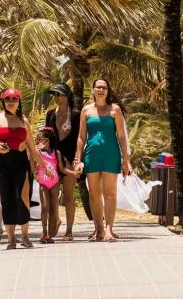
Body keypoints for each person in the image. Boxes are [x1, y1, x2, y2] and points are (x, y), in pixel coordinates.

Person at [0, 88, 53, 250]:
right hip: (2, 163)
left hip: (20, 162)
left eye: (14, 99)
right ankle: (11, 239)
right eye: (7, 100)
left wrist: (45, 168)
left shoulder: (24, 120)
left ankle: (24, 235)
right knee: (6, 199)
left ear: (18, 101)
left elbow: (33, 149)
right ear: (3, 101)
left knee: (23, 198)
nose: (11, 102)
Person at [75, 78, 132, 242]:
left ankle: (109, 230)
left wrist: (125, 160)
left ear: (108, 91)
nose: (101, 90)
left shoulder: (115, 109)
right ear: (93, 90)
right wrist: (77, 159)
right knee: (94, 193)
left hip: (111, 154)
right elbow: (81, 136)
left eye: (104, 88)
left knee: (110, 193)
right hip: (91, 154)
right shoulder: (86, 110)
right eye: (98, 87)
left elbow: (121, 136)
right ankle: (98, 229)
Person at [44, 82, 86, 241]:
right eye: (54, 94)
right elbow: (46, 137)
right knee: (52, 194)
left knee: (68, 194)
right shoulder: (50, 114)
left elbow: (80, 139)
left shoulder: (76, 114)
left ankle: (69, 230)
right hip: (53, 157)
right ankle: (56, 221)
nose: (56, 97)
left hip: (70, 157)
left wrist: (77, 160)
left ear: (67, 96)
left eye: (59, 94)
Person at [35, 126, 64, 243]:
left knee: (53, 208)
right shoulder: (38, 153)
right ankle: (44, 232)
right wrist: (36, 149)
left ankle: (50, 234)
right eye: (38, 140)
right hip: (43, 182)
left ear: (49, 140)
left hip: (55, 182)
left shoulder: (56, 153)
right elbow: (32, 158)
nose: (40, 142)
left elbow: (61, 168)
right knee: (45, 207)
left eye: (43, 140)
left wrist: (73, 172)